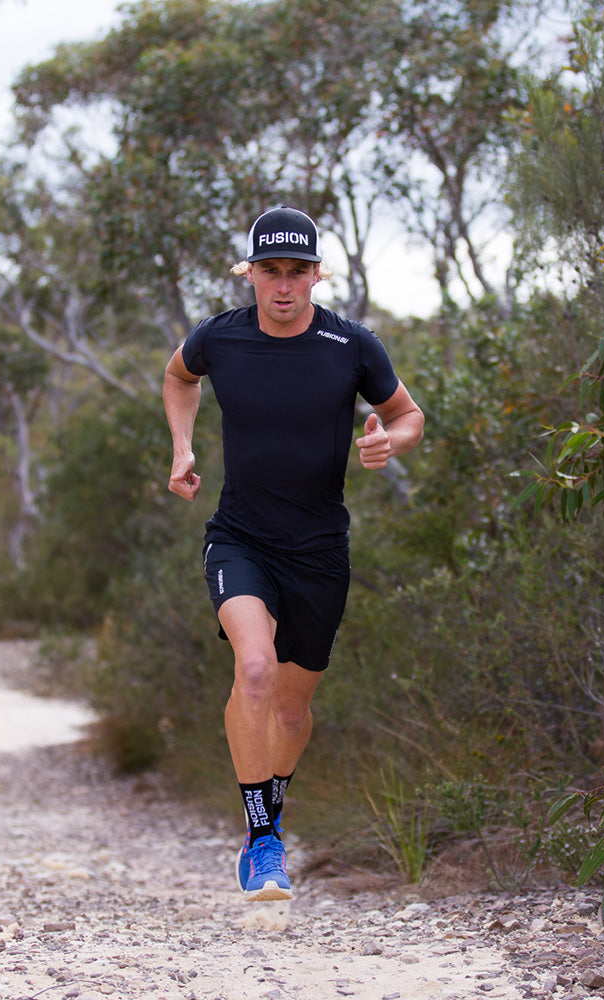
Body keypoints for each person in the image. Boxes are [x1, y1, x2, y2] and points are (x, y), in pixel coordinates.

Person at [163, 206, 424, 902]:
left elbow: (408, 415)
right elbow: (178, 378)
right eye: (269, 271)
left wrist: (387, 443)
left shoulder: (350, 345)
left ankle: (267, 818)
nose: (283, 286)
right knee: (253, 669)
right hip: (240, 537)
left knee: (288, 710)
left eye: (297, 272)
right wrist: (183, 447)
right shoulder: (220, 338)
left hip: (318, 551)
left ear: (316, 274)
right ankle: (264, 841)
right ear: (250, 274)